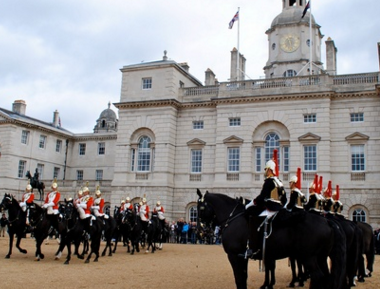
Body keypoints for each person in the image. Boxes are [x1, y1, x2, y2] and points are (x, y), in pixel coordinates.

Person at [241, 159, 287, 259]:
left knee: (254, 221)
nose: (265, 171)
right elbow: (285, 199)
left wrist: (251, 203)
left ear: (270, 170)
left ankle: (252, 249)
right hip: (279, 208)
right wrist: (280, 206)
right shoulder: (279, 182)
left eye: (266, 169)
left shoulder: (269, 182)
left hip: (270, 208)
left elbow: (262, 197)